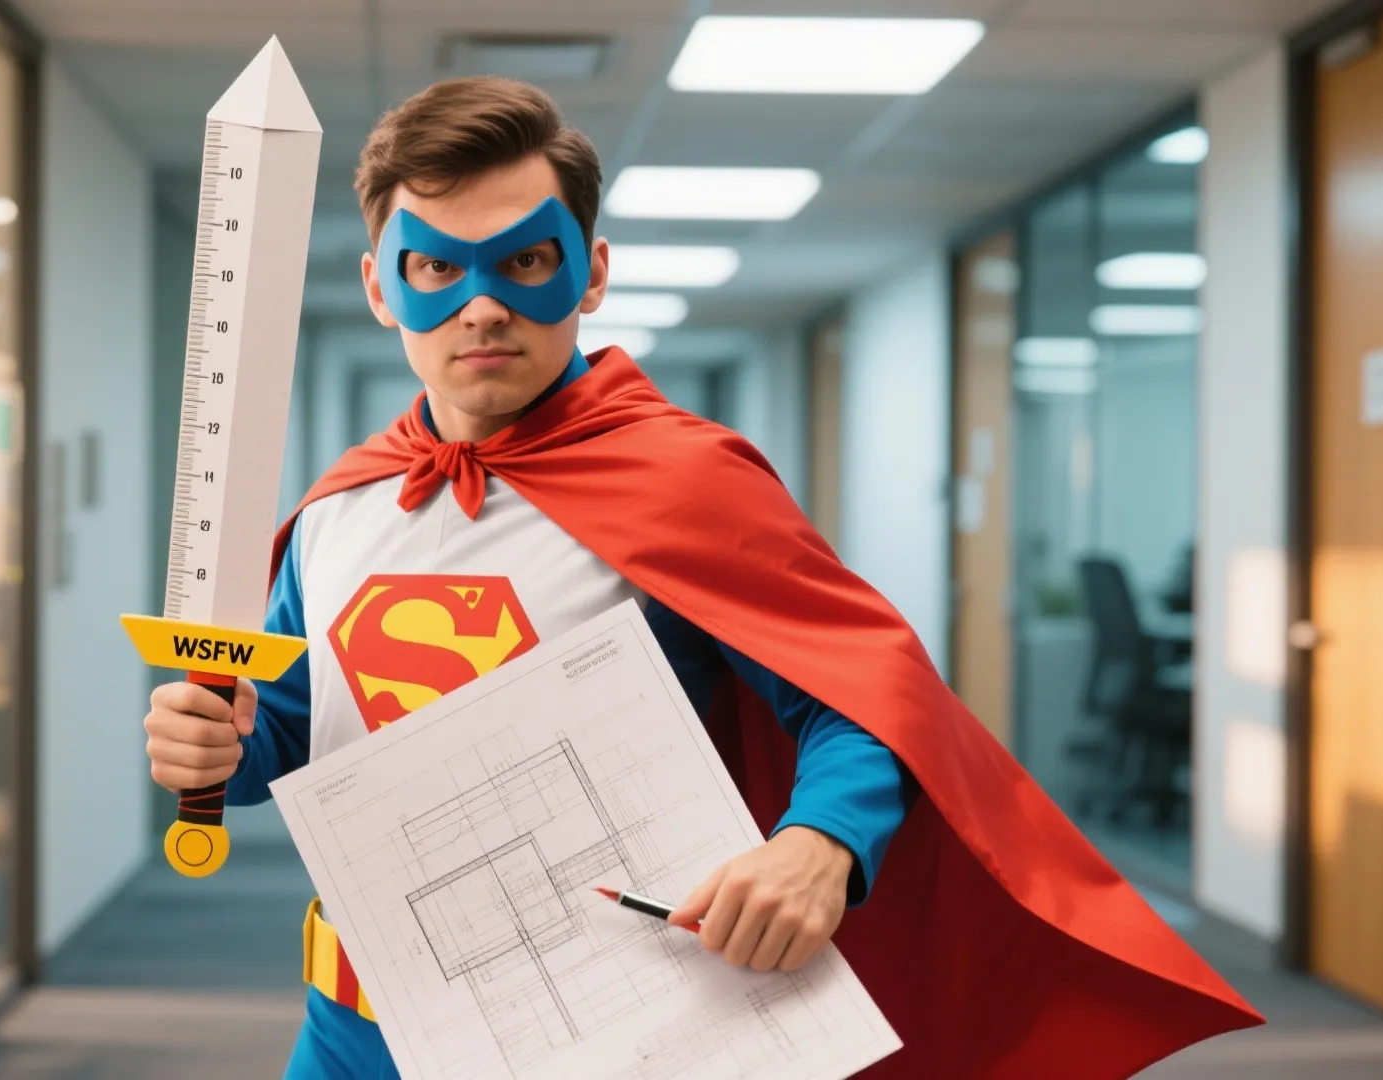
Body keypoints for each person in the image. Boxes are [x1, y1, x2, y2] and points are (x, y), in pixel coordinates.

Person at [144, 77, 1258, 1079]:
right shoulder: (340, 508)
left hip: (610, 1028)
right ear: (382, 288)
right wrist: (218, 748)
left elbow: (861, 698)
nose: (482, 305)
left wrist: (822, 843)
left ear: (592, 271)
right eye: (436, 266)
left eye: (526, 261)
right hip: (355, 1023)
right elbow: (290, 735)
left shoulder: (682, 482)